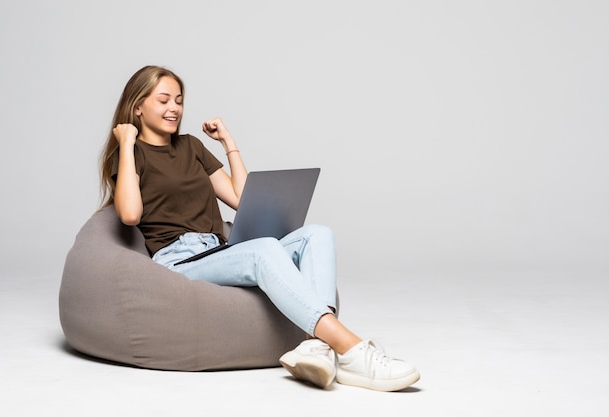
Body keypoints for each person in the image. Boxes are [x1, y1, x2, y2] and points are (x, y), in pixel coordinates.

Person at [99, 65, 420, 392]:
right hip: (178, 262)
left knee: (317, 234)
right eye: (164, 100)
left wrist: (228, 142)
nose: (174, 109)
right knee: (264, 248)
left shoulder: (191, 147)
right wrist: (126, 142)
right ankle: (351, 349)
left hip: (216, 250)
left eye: (179, 101)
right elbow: (129, 213)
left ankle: (316, 346)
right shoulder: (133, 153)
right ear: (138, 106)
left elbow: (241, 199)